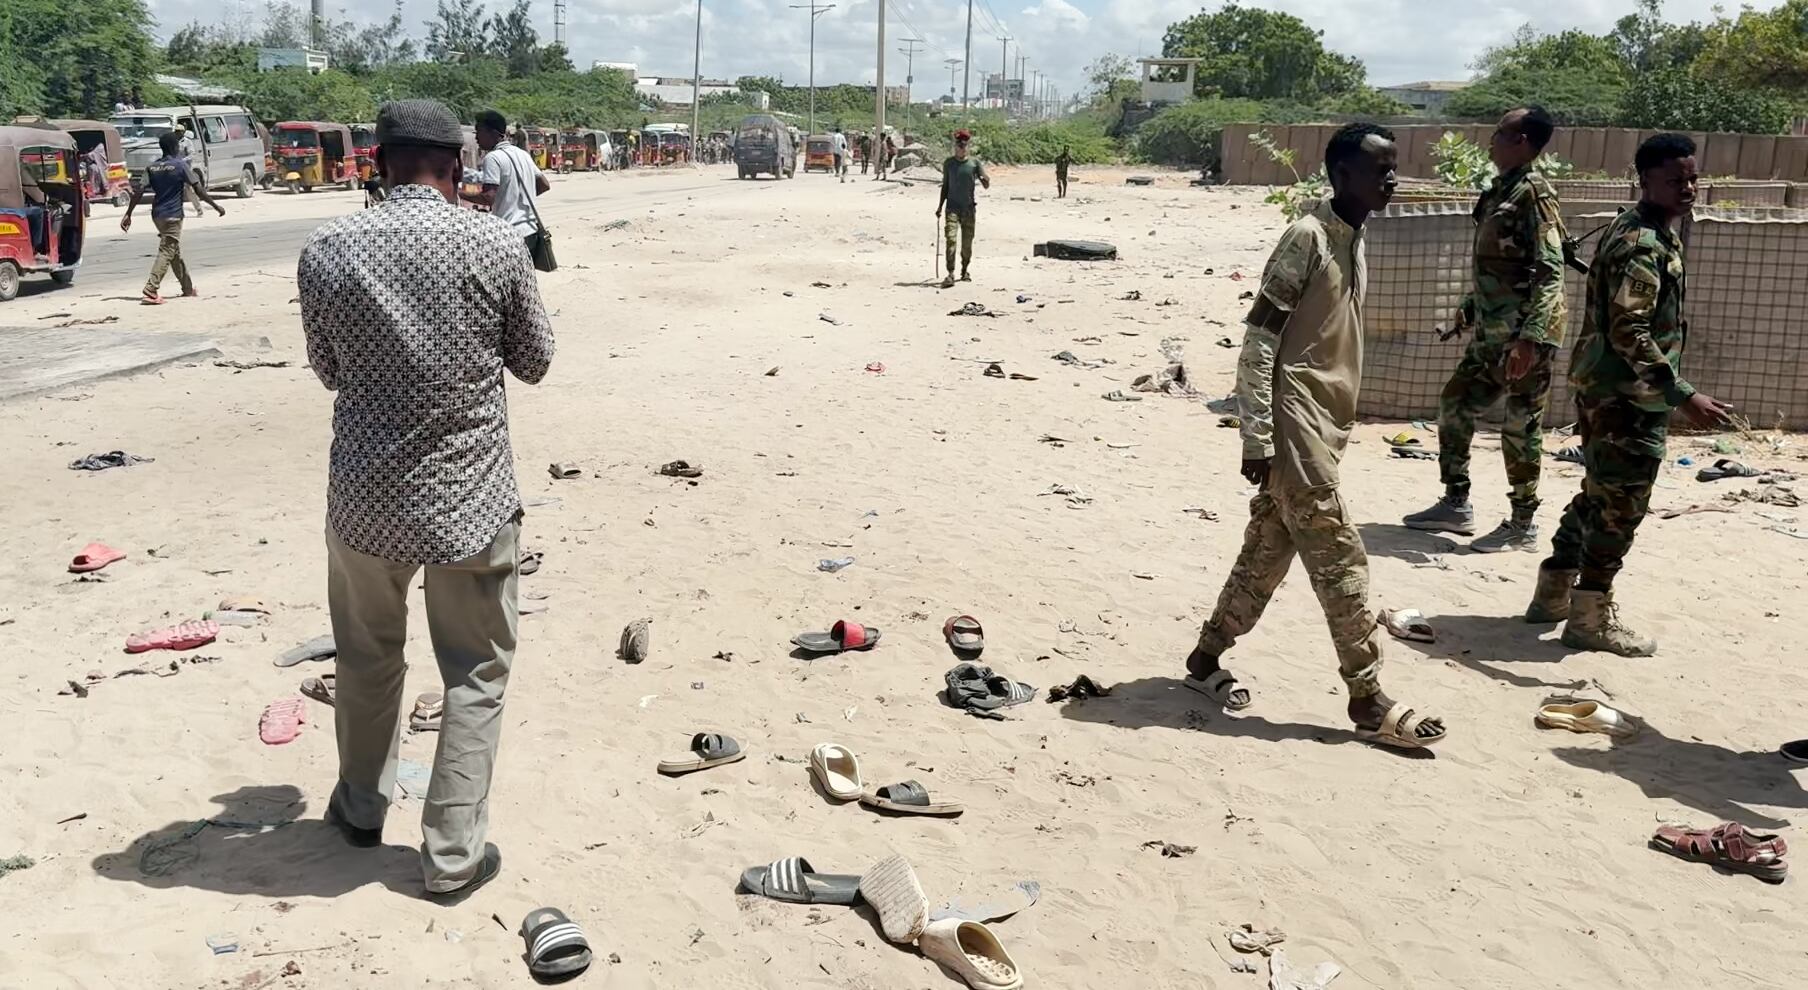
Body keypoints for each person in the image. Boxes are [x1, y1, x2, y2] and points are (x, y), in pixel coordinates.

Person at [297, 98, 555, 897]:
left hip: (365, 503)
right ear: (457, 167)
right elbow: (536, 362)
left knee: (368, 658)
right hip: (469, 499)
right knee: (475, 671)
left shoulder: (327, 247)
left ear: (377, 163)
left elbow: (331, 370)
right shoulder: (494, 244)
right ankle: (450, 856)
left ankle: (360, 808)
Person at [1184, 123, 1448, 751]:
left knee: (1268, 550)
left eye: (1394, 168)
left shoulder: (1354, 239)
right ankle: (1366, 696)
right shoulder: (1306, 237)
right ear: (1340, 176)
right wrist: (1257, 436)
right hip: (1293, 425)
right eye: (1379, 170)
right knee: (1339, 556)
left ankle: (1203, 660)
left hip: (1325, 426)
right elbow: (1259, 341)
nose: (1392, 179)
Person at [1523, 133, 1730, 656]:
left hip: (1610, 389)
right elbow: (1628, 331)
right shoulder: (1642, 243)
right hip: (1626, 398)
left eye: (1692, 178)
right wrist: (1683, 394)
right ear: (1645, 180)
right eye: (1675, 180)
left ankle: (1553, 593)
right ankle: (1589, 615)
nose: (1688, 188)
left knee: (1600, 491)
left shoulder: (1648, 229)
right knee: (1622, 505)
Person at [1403, 106, 1567, 552]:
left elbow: (1551, 271)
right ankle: (1456, 503)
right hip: (1491, 332)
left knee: (1519, 427)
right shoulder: (1501, 191)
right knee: (1455, 403)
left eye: (1500, 133)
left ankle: (1522, 522)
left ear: (1523, 142)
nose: (1491, 140)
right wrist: (1470, 307)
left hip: (1523, 337)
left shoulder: (1535, 193)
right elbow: (1500, 266)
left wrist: (1530, 339)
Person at [122, 130, 224, 304]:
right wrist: (215, 206)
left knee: (173, 251)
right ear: (175, 147)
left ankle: (187, 288)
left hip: (157, 216)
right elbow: (198, 189)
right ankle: (151, 289)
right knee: (167, 251)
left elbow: (139, 191)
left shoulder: (152, 167)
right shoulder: (180, 165)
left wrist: (128, 214)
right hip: (173, 215)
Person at [462, 110, 551, 256]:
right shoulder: (522, 154)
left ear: (493, 133)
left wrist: (458, 193)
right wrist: (517, 197)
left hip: (509, 235)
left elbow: (488, 197)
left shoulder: (493, 158)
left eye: (479, 131)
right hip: (530, 231)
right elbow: (544, 185)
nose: (476, 137)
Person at [935, 129, 990, 288]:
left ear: (968, 147)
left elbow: (986, 184)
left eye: (964, 145)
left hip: (968, 209)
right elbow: (945, 186)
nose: (961, 148)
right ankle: (950, 273)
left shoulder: (974, 164)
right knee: (951, 240)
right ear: (955, 146)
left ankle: (965, 269)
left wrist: (985, 179)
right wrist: (940, 207)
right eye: (959, 145)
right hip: (952, 208)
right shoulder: (949, 164)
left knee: (967, 244)